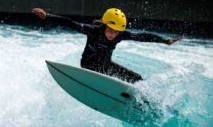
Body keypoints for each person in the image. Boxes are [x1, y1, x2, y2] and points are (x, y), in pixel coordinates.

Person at [33, 8, 182, 83]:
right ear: (104, 25)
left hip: (105, 65)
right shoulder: (93, 31)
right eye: (110, 30)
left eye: (116, 32)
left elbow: (142, 37)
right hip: (88, 66)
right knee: (103, 72)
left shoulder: (120, 35)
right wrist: (47, 16)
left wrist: (164, 41)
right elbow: (70, 23)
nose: (113, 34)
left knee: (137, 79)